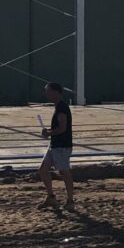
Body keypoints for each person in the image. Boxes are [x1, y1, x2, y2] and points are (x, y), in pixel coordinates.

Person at [38, 81, 75, 212]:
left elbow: (62, 128)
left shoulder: (62, 108)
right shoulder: (58, 107)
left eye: (48, 92)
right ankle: (51, 197)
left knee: (64, 173)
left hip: (62, 146)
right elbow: (59, 127)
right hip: (55, 145)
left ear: (56, 92)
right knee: (43, 169)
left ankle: (70, 201)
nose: (46, 95)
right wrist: (49, 131)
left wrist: (49, 133)